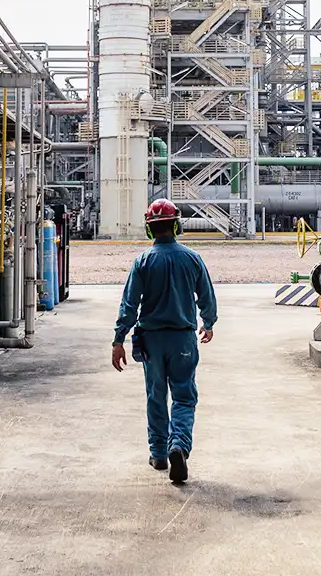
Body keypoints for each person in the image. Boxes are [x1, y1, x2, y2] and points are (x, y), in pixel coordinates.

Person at [111, 198, 217, 484]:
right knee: (184, 396)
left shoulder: (143, 262)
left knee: (155, 396)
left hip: (151, 341)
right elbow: (206, 296)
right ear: (176, 225)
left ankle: (158, 453)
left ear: (150, 230)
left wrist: (118, 339)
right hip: (182, 339)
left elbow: (129, 304)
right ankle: (179, 446)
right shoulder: (192, 258)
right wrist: (208, 322)